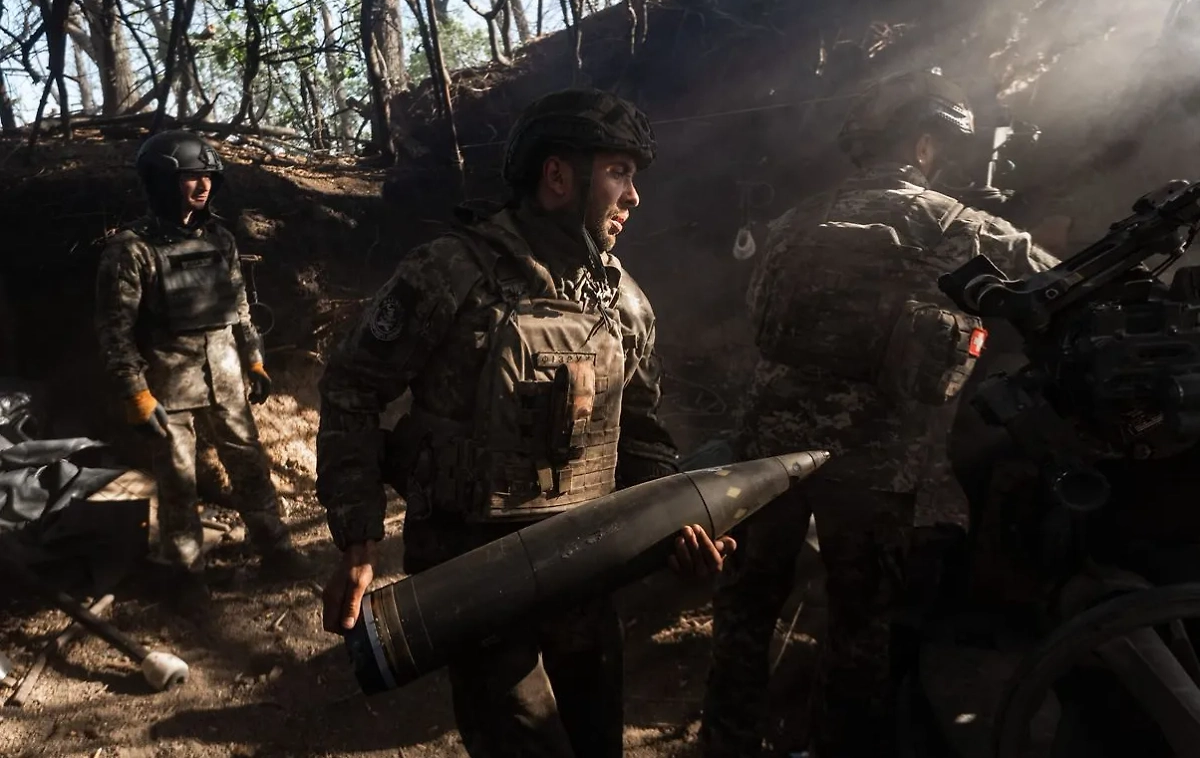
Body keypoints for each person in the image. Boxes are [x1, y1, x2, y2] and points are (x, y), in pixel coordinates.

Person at [316, 87, 734, 758]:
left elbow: (646, 435)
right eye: (618, 171)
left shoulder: (624, 303)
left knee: (597, 743)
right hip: (474, 580)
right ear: (558, 175)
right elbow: (352, 389)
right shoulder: (449, 274)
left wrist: (678, 525)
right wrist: (358, 539)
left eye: (635, 176)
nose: (633, 196)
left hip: (585, 569)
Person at [699, 70, 1058, 758]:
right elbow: (1056, 285)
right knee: (858, 627)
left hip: (762, 457)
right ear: (925, 145)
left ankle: (725, 743)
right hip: (876, 466)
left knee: (744, 613)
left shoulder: (791, 223)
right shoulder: (963, 227)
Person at [94, 130, 306, 610]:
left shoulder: (220, 238)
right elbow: (114, 331)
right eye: (191, 177)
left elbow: (241, 306)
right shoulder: (131, 250)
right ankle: (187, 576)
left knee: (250, 464)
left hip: (226, 372)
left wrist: (253, 357)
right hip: (168, 381)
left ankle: (276, 548)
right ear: (163, 183)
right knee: (177, 483)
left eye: (208, 176)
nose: (203, 185)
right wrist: (135, 392)